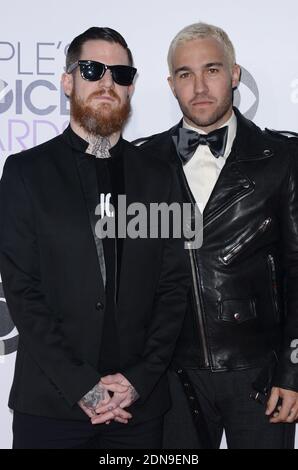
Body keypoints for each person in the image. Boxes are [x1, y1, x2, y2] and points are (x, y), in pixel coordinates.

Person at [0, 27, 189, 449]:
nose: (107, 82)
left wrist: (137, 381)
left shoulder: (161, 177)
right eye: (92, 69)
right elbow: (22, 291)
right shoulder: (25, 173)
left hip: (137, 410)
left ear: (132, 87)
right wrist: (81, 384)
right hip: (51, 406)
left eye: (120, 74)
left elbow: (174, 287)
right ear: (68, 81)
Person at [139, 22, 298, 449]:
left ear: (234, 74)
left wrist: (293, 371)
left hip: (261, 375)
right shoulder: (139, 163)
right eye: (185, 74)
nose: (200, 86)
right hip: (171, 375)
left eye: (211, 69)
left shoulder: (282, 158)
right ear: (171, 84)